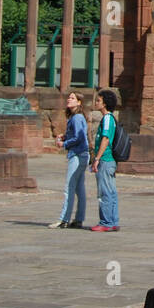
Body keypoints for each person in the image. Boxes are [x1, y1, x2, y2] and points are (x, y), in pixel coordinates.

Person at [49, 91, 89, 229]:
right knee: (79, 188)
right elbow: (77, 134)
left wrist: (64, 144)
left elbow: (79, 137)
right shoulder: (76, 117)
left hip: (77, 154)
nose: (68, 99)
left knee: (69, 187)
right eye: (69, 97)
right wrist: (65, 136)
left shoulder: (77, 117)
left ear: (79, 102)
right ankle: (79, 219)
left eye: (72, 98)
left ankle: (64, 219)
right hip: (82, 154)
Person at [90, 90, 120, 232]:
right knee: (111, 191)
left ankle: (106, 222)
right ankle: (113, 220)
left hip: (106, 159)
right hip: (109, 160)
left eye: (98, 101)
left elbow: (105, 139)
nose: (96, 103)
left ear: (105, 103)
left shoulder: (107, 118)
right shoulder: (110, 118)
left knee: (105, 192)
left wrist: (97, 158)